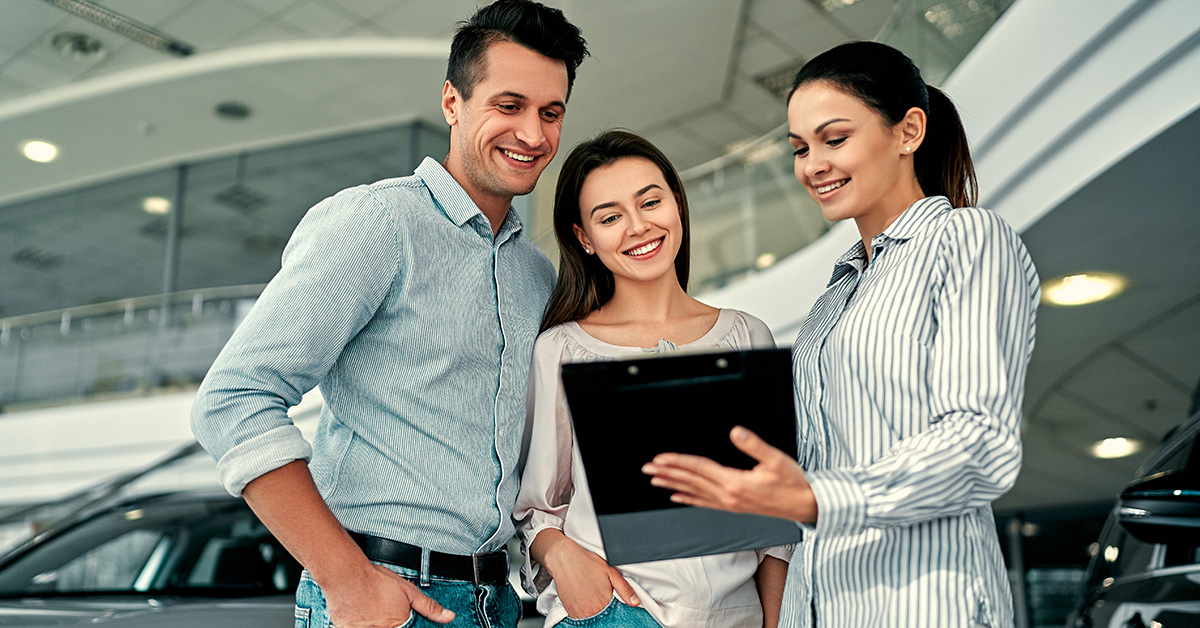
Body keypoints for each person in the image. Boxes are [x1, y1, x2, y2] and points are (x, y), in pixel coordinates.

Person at [189, 3, 588, 627]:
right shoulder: (379, 224)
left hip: (497, 600)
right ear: (453, 102)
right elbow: (233, 398)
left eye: (550, 112)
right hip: (383, 594)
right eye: (508, 107)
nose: (533, 135)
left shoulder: (535, 274)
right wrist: (345, 580)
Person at [643, 41, 1040, 627]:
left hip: (925, 605)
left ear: (909, 131)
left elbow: (980, 442)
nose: (812, 165)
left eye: (835, 139)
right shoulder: (836, 294)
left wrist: (817, 497)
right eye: (800, 148)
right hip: (821, 607)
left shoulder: (967, 239)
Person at [514, 129, 791, 628]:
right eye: (610, 217)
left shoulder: (747, 335)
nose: (638, 226)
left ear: (677, 205)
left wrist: (774, 621)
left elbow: (776, 521)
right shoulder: (562, 349)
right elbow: (539, 506)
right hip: (614, 612)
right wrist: (566, 564)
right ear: (585, 238)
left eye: (650, 202)